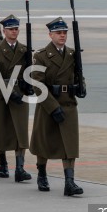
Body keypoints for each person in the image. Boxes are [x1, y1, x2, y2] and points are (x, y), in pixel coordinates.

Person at [30, 17, 85, 196]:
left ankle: (70, 182)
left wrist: (82, 87)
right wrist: (53, 108)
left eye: (65, 32)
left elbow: (78, 75)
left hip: (68, 103)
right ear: (50, 34)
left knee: (70, 145)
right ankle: (42, 174)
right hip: (49, 104)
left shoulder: (72, 54)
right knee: (45, 143)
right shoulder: (41, 56)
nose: (62, 36)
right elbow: (37, 84)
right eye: (59, 33)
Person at [0, 14, 32, 182]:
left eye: (16, 29)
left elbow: (30, 72)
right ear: (4, 31)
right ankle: (3, 163)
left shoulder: (25, 51)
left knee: (21, 132)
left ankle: (20, 168)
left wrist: (30, 85)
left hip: (20, 93)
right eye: (11, 29)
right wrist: (9, 93)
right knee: (2, 131)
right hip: (2, 95)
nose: (14, 32)